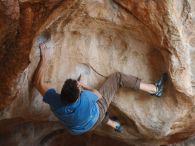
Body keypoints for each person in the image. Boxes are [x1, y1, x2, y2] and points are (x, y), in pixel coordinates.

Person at [33, 43, 167, 135]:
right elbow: (98, 95)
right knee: (117, 77)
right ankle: (155, 89)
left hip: (82, 127)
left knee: (91, 115)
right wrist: (83, 85)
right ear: (80, 93)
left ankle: (115, 126)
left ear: (62, 93)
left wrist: (44, 58)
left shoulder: (56, 101)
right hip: (93, 115)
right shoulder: (86, 98)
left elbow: (37, 82)